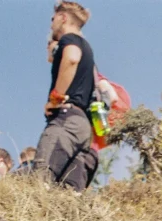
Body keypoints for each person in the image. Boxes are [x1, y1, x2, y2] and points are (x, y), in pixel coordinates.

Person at [34, 1, 95, 191]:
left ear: (63, 18)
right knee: (69, 193)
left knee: (40, 179)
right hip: (83, 128)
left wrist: (55, 99)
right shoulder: (88, 48)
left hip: (66, 121)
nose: (51, 24)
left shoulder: (70, 39)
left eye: (53, 19)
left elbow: (71, 58)